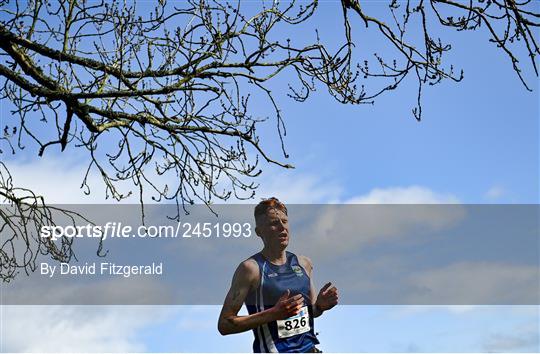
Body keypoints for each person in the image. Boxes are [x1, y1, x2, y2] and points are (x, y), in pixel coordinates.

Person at [218, 197, 339, 353]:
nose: (282, 227)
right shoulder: (250, 269)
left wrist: (320, 307)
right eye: (274, 223)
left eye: (285, 221)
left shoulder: (304, 264)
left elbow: (311, 312)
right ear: (259, 232)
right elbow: (224, 325)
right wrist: (273, 313)